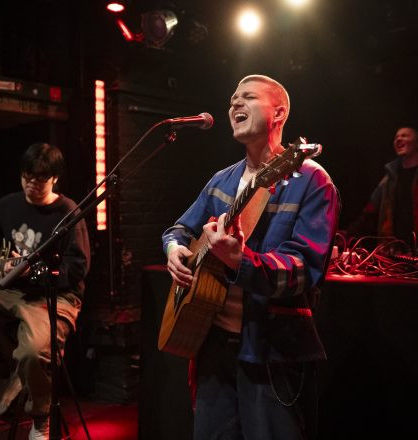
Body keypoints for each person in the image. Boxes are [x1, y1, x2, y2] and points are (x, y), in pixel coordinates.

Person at [162, 75, 339, 440]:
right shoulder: (221, 181)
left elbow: (303, 270)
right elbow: (177, 229)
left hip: (271, 351)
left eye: (248, 97)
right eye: (232, 99)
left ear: (279, 113)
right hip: (212, 347)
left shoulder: (311, 180)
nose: (235, 104)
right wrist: (175, 250)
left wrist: (239, 261)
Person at [0, 142, 90, 440]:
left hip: (55, 295)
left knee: (34, 350)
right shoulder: (7, 204)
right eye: (27, 178)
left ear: (55, 178)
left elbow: (77, 269)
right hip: (11, 290)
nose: (32, 185)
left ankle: (40, 418)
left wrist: (35, 271)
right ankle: (4, 379)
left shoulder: (68, 212)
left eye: (40, 180)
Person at [346, 126, 418, 248]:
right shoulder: (388, 180)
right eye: (396, 137)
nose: (398, 139)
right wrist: (347, 235)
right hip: (394, 251)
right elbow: (369, 213)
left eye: (405, 135)